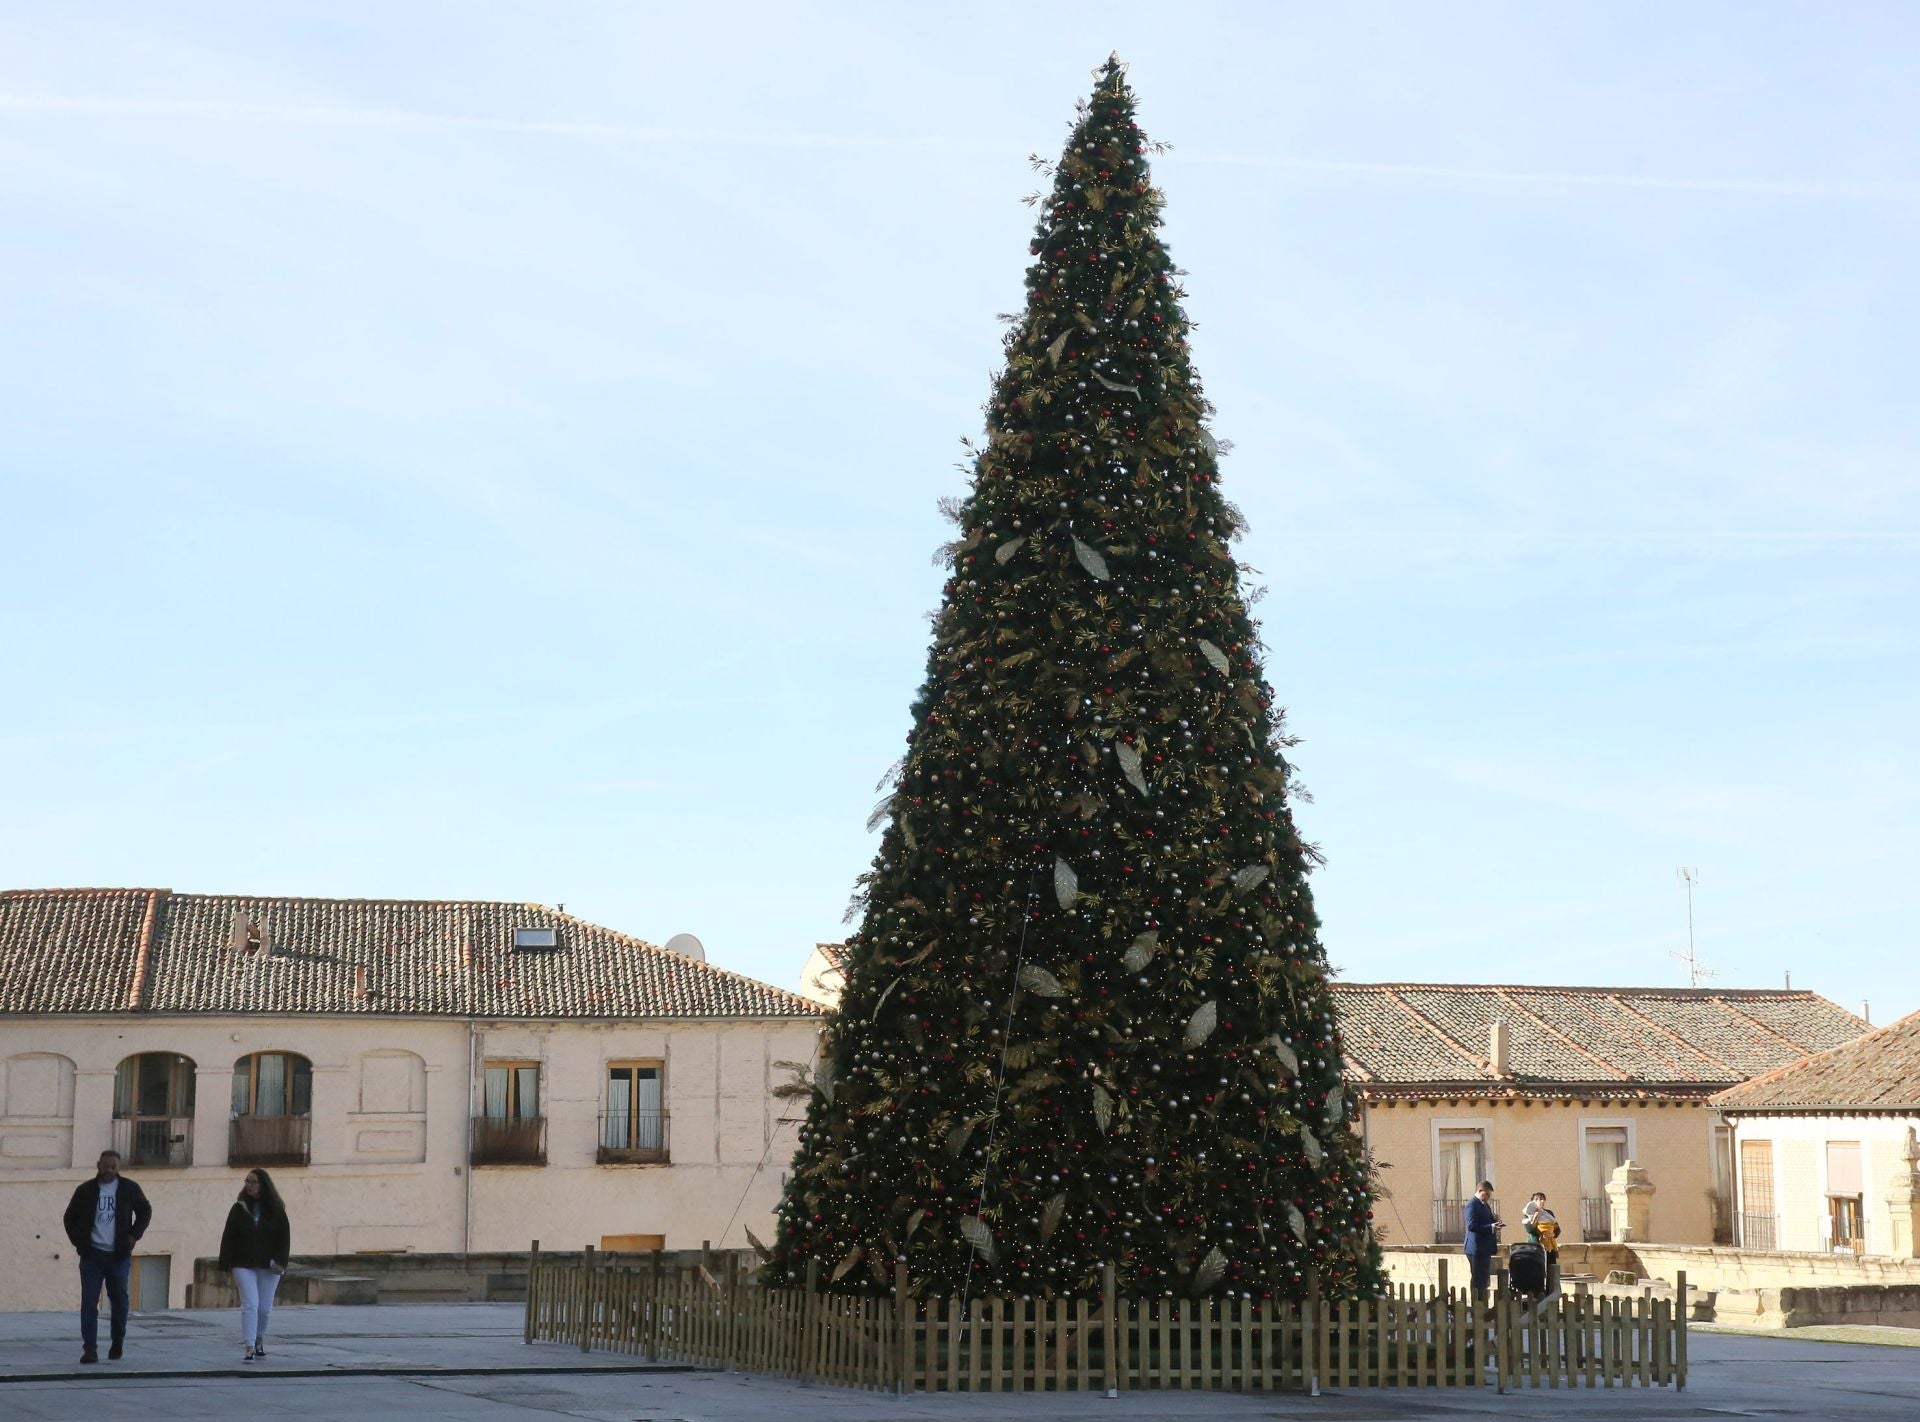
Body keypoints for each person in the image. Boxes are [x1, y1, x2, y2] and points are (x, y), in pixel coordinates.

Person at [62, 1149, 152, 1364]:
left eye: (113, 1167)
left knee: (119, 1301)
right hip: (92, 1255)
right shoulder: (85, 1190)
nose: (109, 1170)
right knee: (89, 1302)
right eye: (106, 1166)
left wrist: (133, 1235)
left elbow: (145, 1210)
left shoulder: (129, 1189)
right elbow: (69, 1217)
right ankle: (90, 1349)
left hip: (118, 1255)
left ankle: (117, 1341)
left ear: (118, 1168)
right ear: (98, 1165)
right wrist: (80, 1242)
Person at [218, 1168, 291, 1361]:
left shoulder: (276, 1209)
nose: (248, 1185)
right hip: (243, 1262)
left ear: (263, 1185)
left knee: (265, 1308)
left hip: (269, 1265)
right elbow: (228, 1237)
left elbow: (284, 1238)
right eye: (247, 1181)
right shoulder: (239, 1208)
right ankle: (249, 1344)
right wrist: (224, 1264)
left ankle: (259, 1338)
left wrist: (281, 1262)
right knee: (250, 1303)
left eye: (253, 1182)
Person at [1461, 1179, 1502, 1294]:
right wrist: (1491, 1227)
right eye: (1487, 1194)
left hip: (1485, 1248)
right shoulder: (1472, 1205)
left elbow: (1487, 1220)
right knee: (1478, 1278)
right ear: (1480, 1191)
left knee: (1484, 1278)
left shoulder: (1485, 1205)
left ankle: (1481, 1300)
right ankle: (1477, 1303)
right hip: (1476, 1248)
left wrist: (1495, 1221)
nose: (1489, 1197)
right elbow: (1472, 1226)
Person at [1524, 1191, 1562, 1291]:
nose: (1542, 1201)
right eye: (1539, 1199)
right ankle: (1538, 1292)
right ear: (1533, 1202)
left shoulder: (1549, 1213)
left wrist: (1552, 1234)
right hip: (1536, 1247)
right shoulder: (1528, 1214)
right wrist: (1536, 1219)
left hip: (1550, 1247)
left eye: (1543, 1199)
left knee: (1551, 1270)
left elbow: (1557, 1229)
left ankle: (1551, 1291)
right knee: (1537, 1271)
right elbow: (1530, 1230)